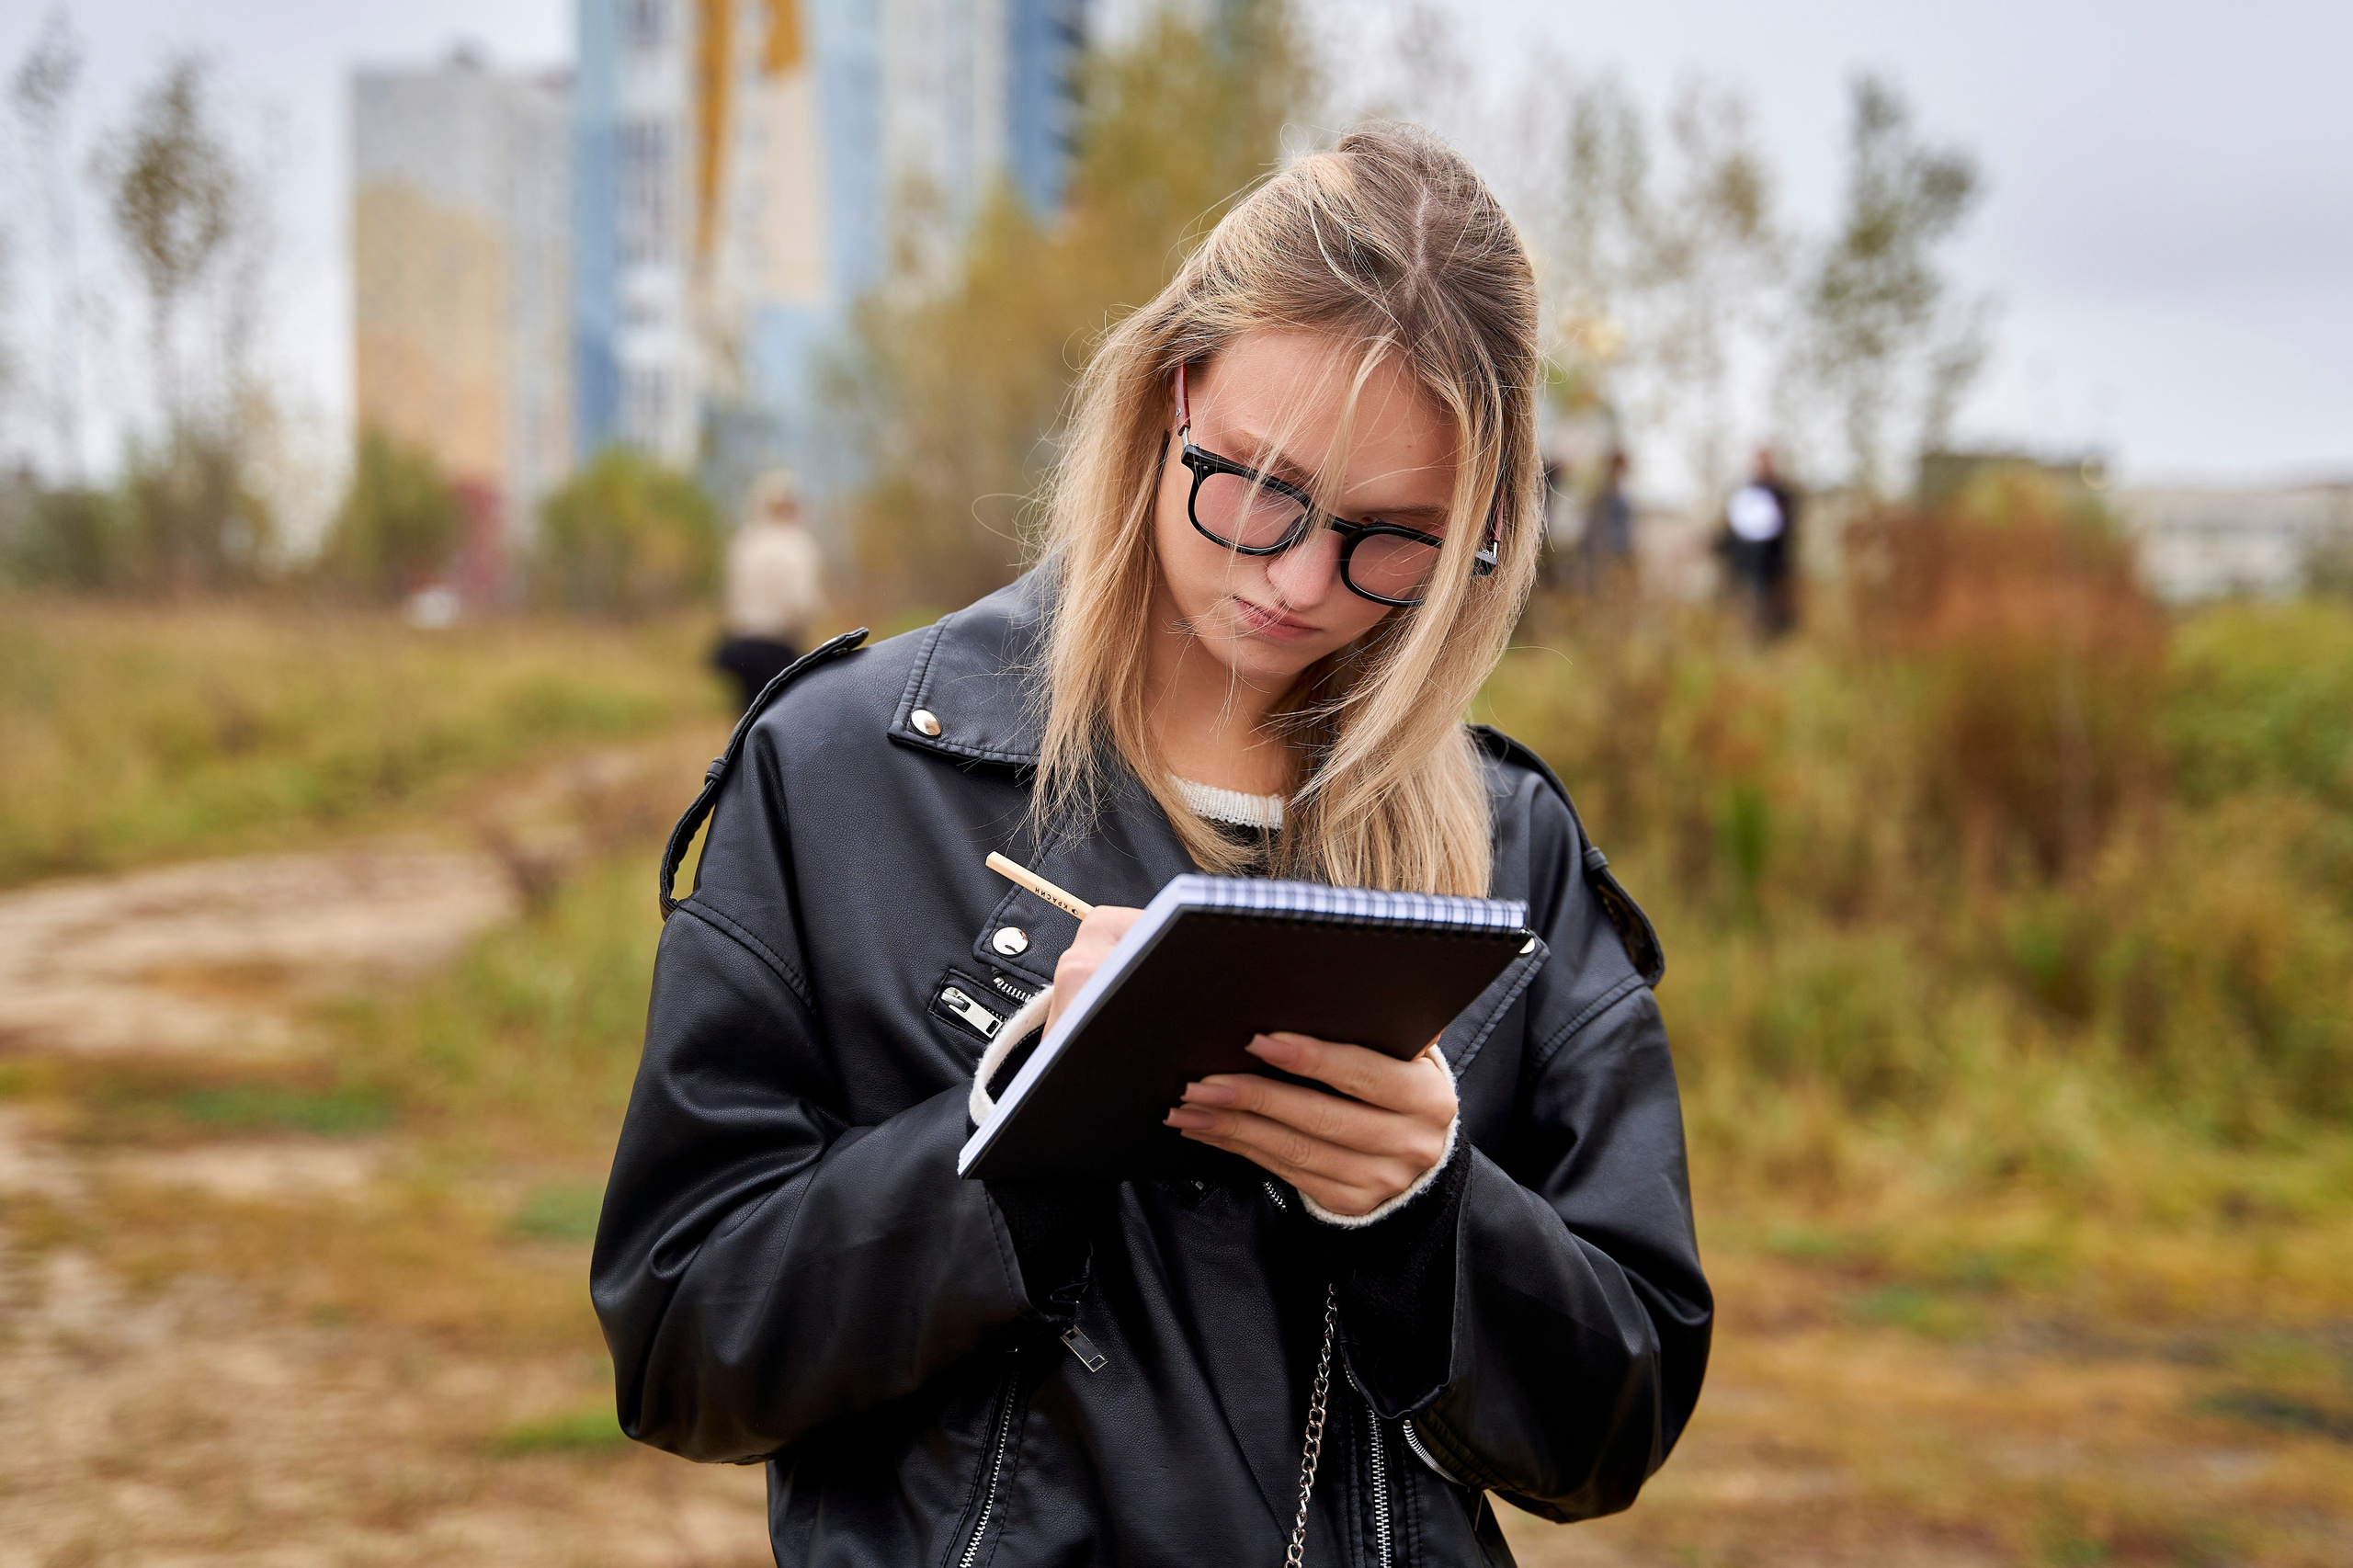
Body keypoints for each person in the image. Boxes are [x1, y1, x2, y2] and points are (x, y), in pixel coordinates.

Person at [594, 124, 1711, 1566]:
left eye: (1393, 537)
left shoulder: (1512, 847)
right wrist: (1020, 1129)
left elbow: (1613, 1423)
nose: (1300, 580)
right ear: (1171, 386)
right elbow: (683, 1340)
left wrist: (1428, 1212)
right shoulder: (848, 773)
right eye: (1258, 486)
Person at [710, 468, 825, 713]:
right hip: (779, 646)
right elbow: (803, 602)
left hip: (743, 644)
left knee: (746, 716)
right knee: (780, 717)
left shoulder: (744, 542)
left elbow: (731, 596)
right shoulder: (798, 545)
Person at [1716, 447, 1802, 638]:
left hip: (1772, 564)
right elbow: (1731, 531)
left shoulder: (1782, 494)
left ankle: (1774, 643)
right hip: (1744, 564)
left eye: (1764, 462)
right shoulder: (1744, 494)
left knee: (1773, 610)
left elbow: (1786, 528)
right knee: (1745, 606)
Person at [1578, 449, 1636, 590]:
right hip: (1604, 555)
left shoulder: (1619, 493)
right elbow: (1595, 527)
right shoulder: (1604, 494)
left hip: (1616, 554)